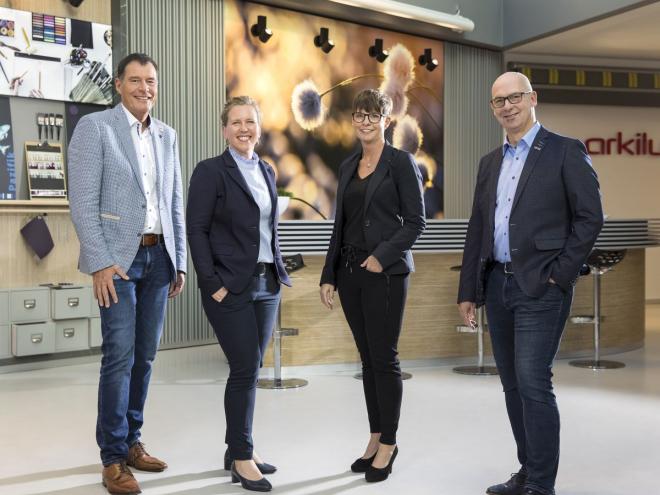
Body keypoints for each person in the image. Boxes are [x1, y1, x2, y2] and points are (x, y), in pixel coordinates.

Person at [457, 72, 603, 495]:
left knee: (533, 380)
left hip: (541, 286)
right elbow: (478, 227)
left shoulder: (565, 151)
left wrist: (561, 274)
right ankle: (527, 470)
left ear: (532, 98)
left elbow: (591, 218)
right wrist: (468, 290)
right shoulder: (490, 162)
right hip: (497, 284)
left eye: (514, 97)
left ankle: (541, 484)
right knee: (513, 383)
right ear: (492, 109)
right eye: (498, 101)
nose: (507, 106)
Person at [68, 53, 187, 495]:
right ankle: (113, 458)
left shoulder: (167, 135)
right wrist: (99, 261)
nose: (144, 88)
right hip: (117, 261)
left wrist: (179, 259)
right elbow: (82, 201)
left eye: (150, 80)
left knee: (146, 355)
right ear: (118, 84)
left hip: (159, 259)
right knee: (119, 356)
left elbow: (175, 201)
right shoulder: (95, 128)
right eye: (135, 80)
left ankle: (133, 441)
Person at [319, 89, 425, 483]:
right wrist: (329, 274)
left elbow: (416, 222)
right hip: (350, 272)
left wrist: (382, 255)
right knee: (367, 360)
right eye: (360, 115)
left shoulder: (401, 163)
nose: (366, 121)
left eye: (373, 115)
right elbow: (340, 224)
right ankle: (375, 436)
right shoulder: (348, 165)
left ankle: (390, 443)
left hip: (385, 273)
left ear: (386, 120)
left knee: (384, 358)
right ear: (353, 120)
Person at [187, 96, 291, 493]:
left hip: (267, 283)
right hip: (229, 286)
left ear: (259, 128)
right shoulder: (210, 171)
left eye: (250, 121)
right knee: (245, 367)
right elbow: (196, 230)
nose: (244, 128)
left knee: (251, 367)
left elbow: (267, 229)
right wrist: (211, 282)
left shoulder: (266, 170)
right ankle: (243, 457)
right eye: (236, 122)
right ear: (224, 130)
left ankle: (237, 450)